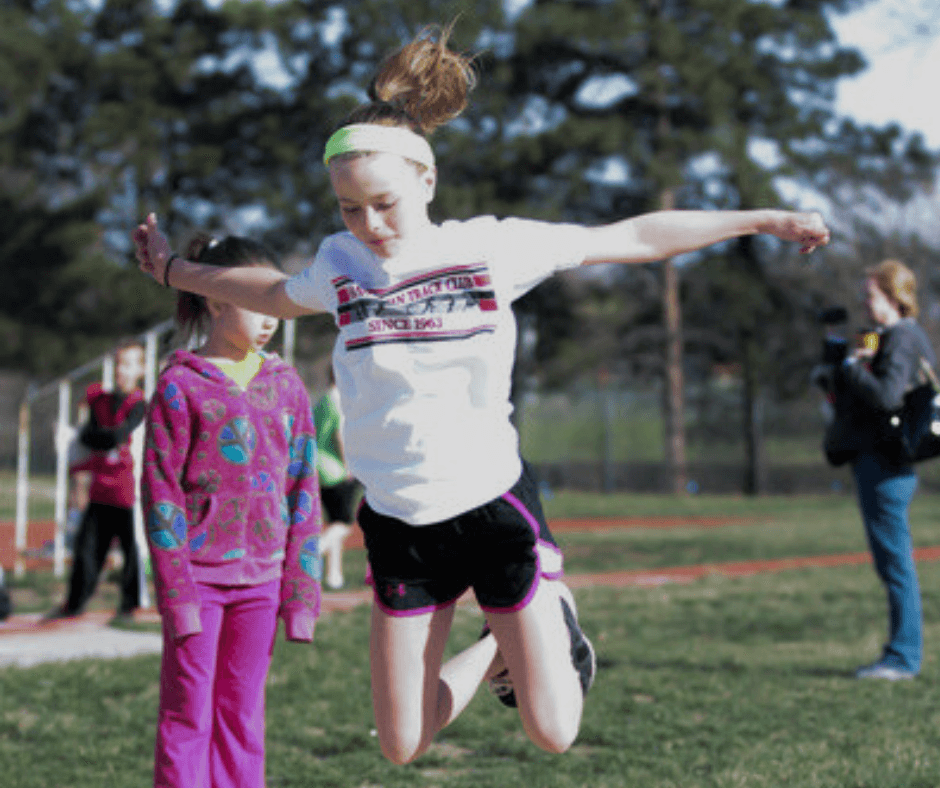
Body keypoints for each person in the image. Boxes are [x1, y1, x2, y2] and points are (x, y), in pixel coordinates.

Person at [133, 25, 830, 764]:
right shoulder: (340, 265)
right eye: (349, 208)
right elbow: (270, 291)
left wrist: (760, 219)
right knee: (403, 743)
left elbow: (632, 236)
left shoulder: (489, 249)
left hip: (491, 502)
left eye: (384, 204)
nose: (368, 225)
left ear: (426, 183)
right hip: (400, 520)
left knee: (552, 731)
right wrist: (176, 271)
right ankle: (494, 644)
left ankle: (551, 611)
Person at [141, 234, 323, 787]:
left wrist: (300, 594)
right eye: (255, 302)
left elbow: (304, 488)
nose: (271, 318)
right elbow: (160, 494)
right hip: (196, 581)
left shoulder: (287, 385)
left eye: (274, 304)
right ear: (215, 300)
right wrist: (176, 595)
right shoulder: (178, 386)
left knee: (243, 716)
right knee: (187, 713)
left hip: (263, 585)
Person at [834, 259, 934, 681]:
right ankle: (901, 653)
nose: (863, 301)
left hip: (887, 464)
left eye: (871, 294)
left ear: (894, 298)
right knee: (893, 562)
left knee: (896, 564)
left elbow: (888, 398)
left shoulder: (902, 337)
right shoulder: (900, 338)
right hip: (886, 464)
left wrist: (853, 368)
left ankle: (903, 657)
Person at [48, 339, 147, 620]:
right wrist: (103, 439)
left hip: (128, 493)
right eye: (118, 364)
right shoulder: (100, 400)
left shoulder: (139, 404)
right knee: (87, 549)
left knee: (132, 551)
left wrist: (104, 438)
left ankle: (130, 606)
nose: (121, 371)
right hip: (101, 488)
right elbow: (87, 436)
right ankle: (74, 604)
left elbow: (118, 435)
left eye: (128, 364)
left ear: (140, 369)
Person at [313, 368, 363, 590]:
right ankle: (314, 552)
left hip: (318, 466)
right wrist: (349, 465)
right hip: (335, 469)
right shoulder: (337, 400)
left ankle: (334, 576)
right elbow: (339, 435)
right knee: (343, 524)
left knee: (334, 520)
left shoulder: (322, 400)